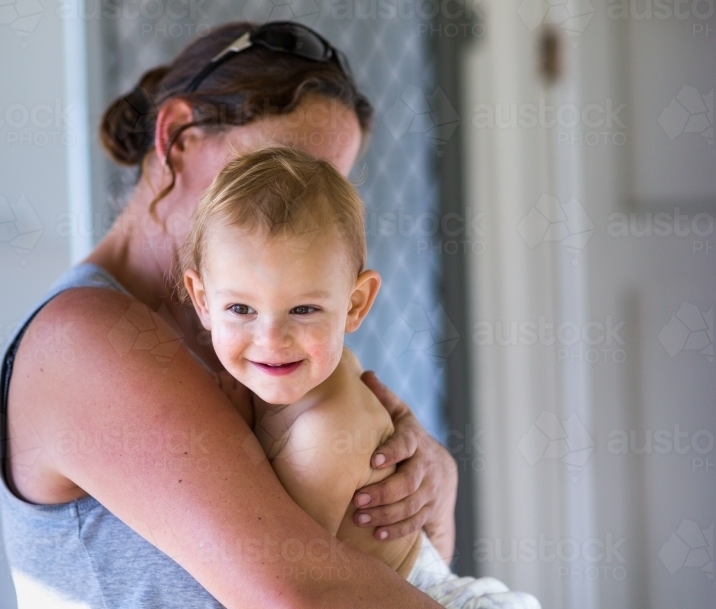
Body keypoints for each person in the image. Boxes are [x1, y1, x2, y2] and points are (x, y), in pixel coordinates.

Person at [0, 21, 459, 608]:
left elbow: (392, 572)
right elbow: (304, 593)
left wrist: (429, 488)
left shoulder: (267, 349)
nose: (294, 216)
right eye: (271, 173)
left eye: (324, 188)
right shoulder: (87, 338)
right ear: (176, 137)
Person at [181, 146, 541, 608]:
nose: (271, 339)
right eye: (241, 309)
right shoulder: (304, 379)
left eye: (304, 309)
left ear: (355, 304)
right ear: (202, 300)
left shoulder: (324, 433)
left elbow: (279, 586)